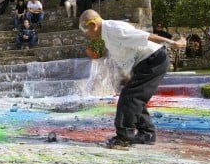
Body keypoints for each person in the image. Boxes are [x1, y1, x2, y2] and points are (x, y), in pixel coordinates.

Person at [78, 9, 186, 147]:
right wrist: (129, 76)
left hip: (153, 60)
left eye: (84, 29)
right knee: (134, 98)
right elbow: (125, 56)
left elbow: (145, 36)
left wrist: (172, 43)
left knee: (129, 98)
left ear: (93, 25)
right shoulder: (106, 35)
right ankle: (147, 134)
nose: (86, 34)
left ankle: (124, 137)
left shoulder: (114, 29)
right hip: (144, 63)